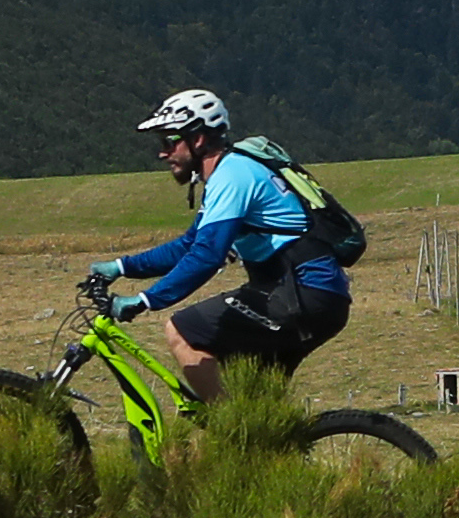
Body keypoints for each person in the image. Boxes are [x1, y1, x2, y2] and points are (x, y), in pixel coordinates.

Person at [85, 86, 350, 400]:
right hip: (313, 296)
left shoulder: (232, 176)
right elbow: (189, 244)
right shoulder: (232, 172)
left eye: (170, 141)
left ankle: (227, 433)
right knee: (257, 401)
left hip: (301, 294)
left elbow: (207, 255)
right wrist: (121, 267)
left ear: (198, 139)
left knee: (182, 331)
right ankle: (261, 444)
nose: (162, 153)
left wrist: (145, 300)